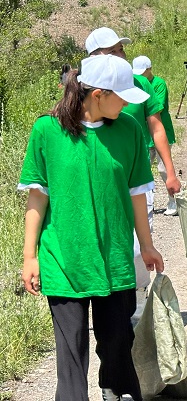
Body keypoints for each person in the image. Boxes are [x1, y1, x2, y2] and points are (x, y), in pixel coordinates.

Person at [20, 54, 164, 401]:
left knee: (117, 343)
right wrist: (29, 256)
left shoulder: (129, 130)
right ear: (98, 94)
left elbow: (137, 195)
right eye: (122, 96)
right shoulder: (47, 131)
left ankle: (115, 388)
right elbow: (38, 198)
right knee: (71, 352)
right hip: (63, 259)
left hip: (114, 259)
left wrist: (146, 245)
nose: (128, 104)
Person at [85, 27, 180, 316]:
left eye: (121, 49)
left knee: (139, 244)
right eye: (112, 51)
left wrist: (170, 172)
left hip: (135, 178)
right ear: (93, 57)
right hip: (99, 180)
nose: (120, 55)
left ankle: (136, 304)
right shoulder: (82, 92)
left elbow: (156, 126)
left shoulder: (138, 84)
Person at [132, 56, 179, 217]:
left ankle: (174, 200)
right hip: (145, 135)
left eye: (143, 72)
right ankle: (144, 202)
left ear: (150, 69)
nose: (140, 76)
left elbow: (156, 108)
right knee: (143, 167)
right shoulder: (136, 83)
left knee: (163, 168)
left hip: (161, 131)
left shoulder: (159, 84)